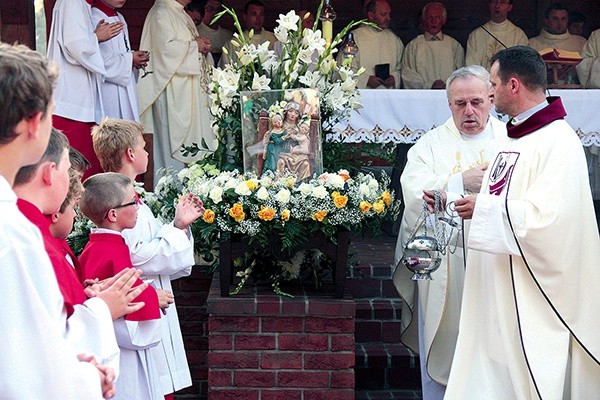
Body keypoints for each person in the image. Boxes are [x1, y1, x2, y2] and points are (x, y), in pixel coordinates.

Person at [442, 45, 600, 399]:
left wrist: (483, 210)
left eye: (493, 84)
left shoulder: (560, 141)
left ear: (513, 85)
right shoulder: (509, 139)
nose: (490, 92)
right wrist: (468, 207)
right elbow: (498, 202)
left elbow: (553, 223)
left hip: (534, 296)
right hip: (494, 286)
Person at [0, 41, 115, 400]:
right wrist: (86, 379)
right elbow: (27, 382)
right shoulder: (12, 232)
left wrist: (67, 363)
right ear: (35, 123)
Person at [393, 65, 506, 400]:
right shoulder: (430, 144)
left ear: (490, 98)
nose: (468, 111)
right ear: (449, 104)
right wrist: (460, 182)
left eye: (476, 101)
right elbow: (414, 193)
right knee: (445, 343)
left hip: (497, 259)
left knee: (497, 345)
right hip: (446, 264)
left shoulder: (511, 141)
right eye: (460, 104)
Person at [14, 128, 148, 374]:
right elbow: (46, 344)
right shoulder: (30, 245)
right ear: (49, 174)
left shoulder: (30, 234)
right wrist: (102, 309)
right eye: (68, 171)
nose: (75, 183)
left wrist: (89, 297)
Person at [92, 118, 205, 398]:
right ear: (130, 154)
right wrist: (177, 228)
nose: (146, 153)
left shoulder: (130, 199)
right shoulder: (121, 201)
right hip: (142, 309)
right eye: (143, 147)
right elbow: (137, 256)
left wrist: (177, 228)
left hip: (153, 303)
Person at [79, 172, 165, 400]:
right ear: (113, 214)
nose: (138, 206)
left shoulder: (103, 246)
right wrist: (153, 298)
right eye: (133, 201)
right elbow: (124, 317)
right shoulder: (109, 250)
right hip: (121, 358)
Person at [137, 0, 216, 178]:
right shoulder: (161, 12)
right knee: (170, 151)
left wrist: (202, 46)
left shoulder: (180, 13)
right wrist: (195, 45)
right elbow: (165, 51)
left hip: (189, 94)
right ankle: (171, 189)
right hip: (171, 95)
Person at [47, 0, 124, 178]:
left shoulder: (81, 4)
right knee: (77, 169)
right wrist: (97, 36)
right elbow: (76, 45)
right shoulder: (72, 2)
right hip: (72, 100)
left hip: (80, 97)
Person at [91, 0, 150, 121]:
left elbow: (123, 49)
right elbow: (98, 60)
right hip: (107, 89)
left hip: (125, 83)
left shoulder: (120, 17)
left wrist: (134, 58)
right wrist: (130, 60)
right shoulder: (94, 17)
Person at [338, 0, 403, 89]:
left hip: (388, 95)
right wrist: (366, 80)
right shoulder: (355, 37)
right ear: (371, 16)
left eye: (389, 14)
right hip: (363, 96)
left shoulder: (394, 39)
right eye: (383, 14)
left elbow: (401, 68)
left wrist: (394, 78)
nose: (388, 18)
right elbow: (344, 68)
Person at [401, 2, 464, 89]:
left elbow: (461, 73)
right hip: (422, 98)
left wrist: (447, 85)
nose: (433, 21)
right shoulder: (413, 46)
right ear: (423, 20)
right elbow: (407, 75)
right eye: (429, 17)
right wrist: (429, 85)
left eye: (437, 17)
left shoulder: (454, 46)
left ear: (444, 20)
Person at [465, 0, 528, 70]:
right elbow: (471, 67)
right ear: (489, 5)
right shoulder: (476, 35)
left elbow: (522, 67)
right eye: (494, 1)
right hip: (482, 80)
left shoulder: (519, 35)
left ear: (510, 7)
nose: (497, 6)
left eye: (502, 2)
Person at [218, 0, 277, 67]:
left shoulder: (274, 39)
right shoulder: (234, 43)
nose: (258, 18)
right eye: (254, 14)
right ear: (245, 17)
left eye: (261, 14)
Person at [196, 0, 233, 66]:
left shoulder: (228, 36)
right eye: (210, 9)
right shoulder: (196, 32)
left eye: (218, 10)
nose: (215, 13)